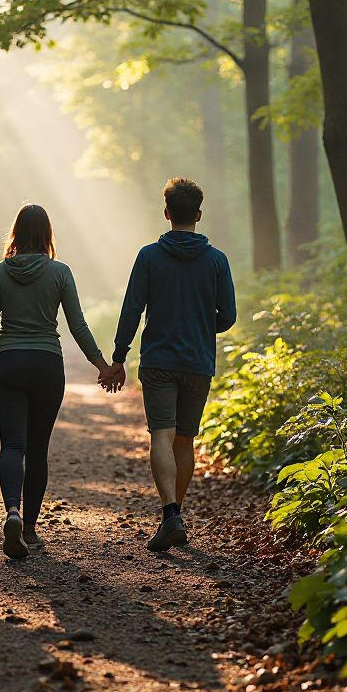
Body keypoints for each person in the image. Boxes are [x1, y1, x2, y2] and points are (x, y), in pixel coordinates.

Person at [0, 204, 112, 559]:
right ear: (47, 234)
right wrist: (102, 365)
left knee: (12, 445)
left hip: (8, 363)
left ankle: (12, 511)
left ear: (16, 232)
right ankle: (29, 530)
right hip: (47, 365)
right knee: (38, 449)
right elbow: (78, 325)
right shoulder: (60, 272)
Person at [102, 177, 236, 552]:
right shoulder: (217, 260)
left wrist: (118, 357)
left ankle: (170, 514)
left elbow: (132, 310)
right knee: (185, 439)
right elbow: (228, 316)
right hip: (198, 361)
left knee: (161, 435)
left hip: (158, 361)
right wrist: (199, 324)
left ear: (166, 213)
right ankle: (174, 516)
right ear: (198, 215)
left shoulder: (149, 256)